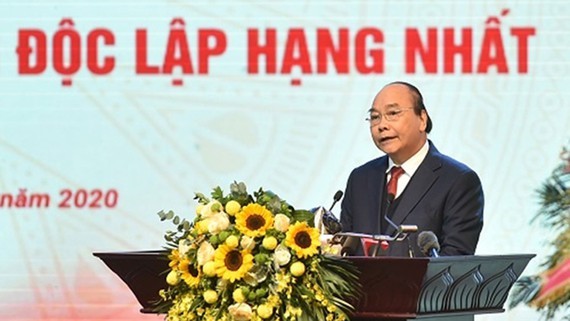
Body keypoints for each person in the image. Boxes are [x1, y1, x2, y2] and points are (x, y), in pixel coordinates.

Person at [339, 81, 484, 257]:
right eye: (375, 117)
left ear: (422, 119)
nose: (382, 125)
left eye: (392, 113)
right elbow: (344, 252)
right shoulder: (360, 179)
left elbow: (454, 262)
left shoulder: (458, 181)